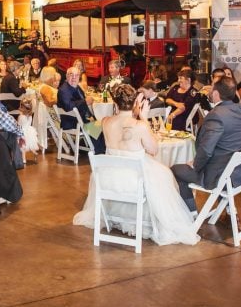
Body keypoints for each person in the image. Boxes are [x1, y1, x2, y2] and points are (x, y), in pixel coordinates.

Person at [73, 84, 200, 246]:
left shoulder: (105, 122)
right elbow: (153, 150)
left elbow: (101, 132)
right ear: (135, 103)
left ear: (115, 103)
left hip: (109, 177)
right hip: (134, 179)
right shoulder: (140, 125)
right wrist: (144, 118)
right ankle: (148, 220)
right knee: (164, 175)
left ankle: (123, 218)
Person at [171, 77, 241, 214]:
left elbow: (206, 150)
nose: (209, 91)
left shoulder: (216, 115)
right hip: (238, 171)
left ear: (216, 94)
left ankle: (192, 214)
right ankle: (230, 208)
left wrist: (195, 164)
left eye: (212, 89)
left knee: (177, 170)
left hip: (218, 175)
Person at [57, 67, 104, 154]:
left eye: (76, 75)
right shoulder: (64, 90)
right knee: (97, 126)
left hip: (82, 118)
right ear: (67, 76)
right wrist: (85, 101)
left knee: (101, 124)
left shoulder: (76, 87)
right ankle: (99, 153)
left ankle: (101, 150)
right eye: (71, 74)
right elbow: (68, 106)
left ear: (79, 77)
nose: (74, 77)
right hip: (72, 121)